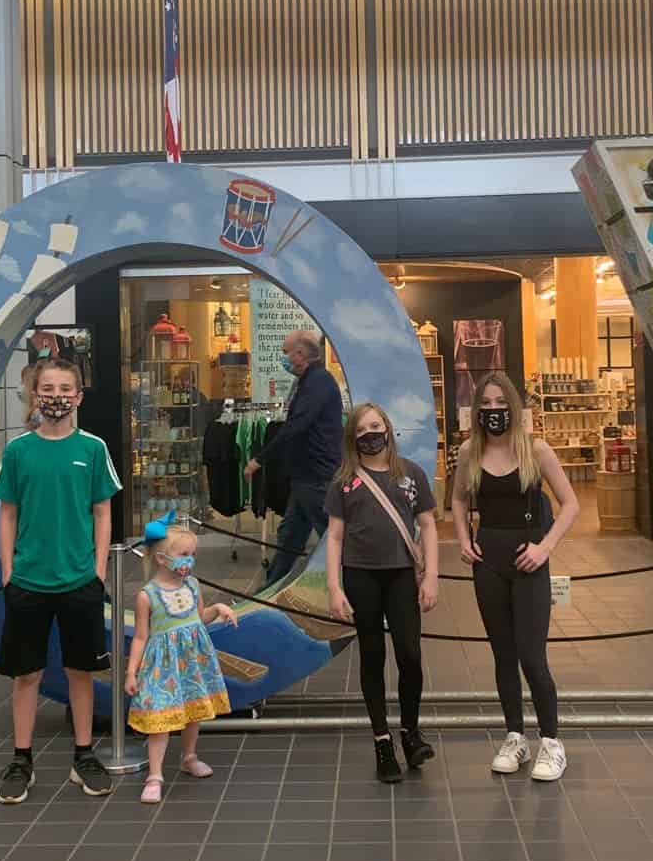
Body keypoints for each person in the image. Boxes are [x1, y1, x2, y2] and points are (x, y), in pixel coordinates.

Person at [0, 357, 120, 805]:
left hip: (79, 580)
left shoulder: (92, 449)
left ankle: (83, 754)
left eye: (67, 388)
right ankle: (21, 758)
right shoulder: (18, 451)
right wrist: (8, 570)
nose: (57, 396)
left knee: (80, 672)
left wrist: (98, 569)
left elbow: (103, 511)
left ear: (79, 396)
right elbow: (8, 513)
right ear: (34, 395)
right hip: (28, 579)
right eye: (49, 388)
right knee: (26, 674)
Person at [452, 373, 578, 782]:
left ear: (513, 405)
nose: (493, 409)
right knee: (503, 654)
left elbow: (570, 504)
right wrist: (462, 539)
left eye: (499, 402)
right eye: (485, 403)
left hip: (529, 561)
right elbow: (456, 499)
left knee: (531, 655)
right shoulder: (470, 451)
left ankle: (551, 741)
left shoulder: (535, 449)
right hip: (489, 562)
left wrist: (545, 547)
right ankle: (514, 736)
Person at [325, 402, 439, 784]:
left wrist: (432, 577)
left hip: (403, 575)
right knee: (372, 655)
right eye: (361, 429)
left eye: (376, 426)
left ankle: (410, 731)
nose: (370, 434)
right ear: (352, 437)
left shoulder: (411, 475)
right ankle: (382, 740)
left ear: (388, 428)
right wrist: (334, 586)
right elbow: (335, 536)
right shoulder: (344, 481)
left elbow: (428, 525)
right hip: (361, 577)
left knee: (410, 653)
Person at [126, 523, 238, 805]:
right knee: (160, 719)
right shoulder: (147, 595)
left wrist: (218, 609)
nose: (190, 559)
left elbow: (199, 617)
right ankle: (155, 775)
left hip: (191, 662)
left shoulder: (193, 585)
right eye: (184, 553)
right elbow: (140, 637)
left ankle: (189, 756)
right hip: (162, 666)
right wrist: (132, 671)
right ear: (162, 559)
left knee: (192, 711)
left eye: (192, 553)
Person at [245, 330, 342, 585]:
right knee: (290, 538)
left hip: (316, 476)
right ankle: (270, 591)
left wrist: (259, 460)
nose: (284, 358)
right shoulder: (310, 382)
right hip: (305, 477)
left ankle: (357, 592)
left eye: (286, 352)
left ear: (300, 355)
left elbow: (295, 427)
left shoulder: (318, 382)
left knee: (331, 536)